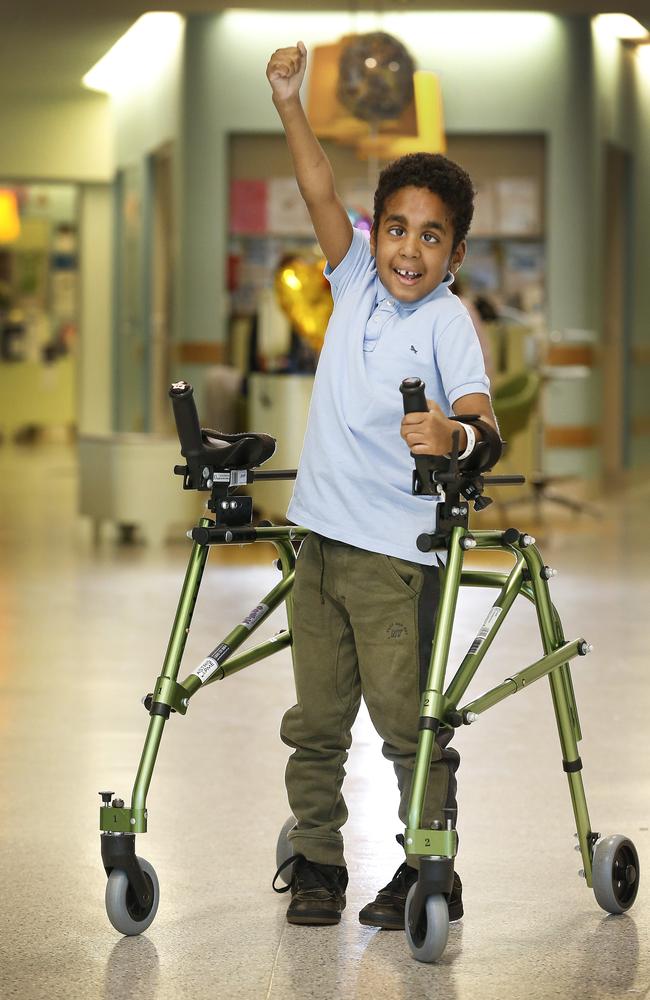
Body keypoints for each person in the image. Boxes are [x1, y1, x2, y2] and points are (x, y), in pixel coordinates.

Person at [267, 41, 498, 929]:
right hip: (317, 543)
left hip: (397, 558)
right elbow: (319, 187)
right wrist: (291, 101)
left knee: (408, 724)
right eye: (396, 227)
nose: (408, 248)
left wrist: (453, 432)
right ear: (376, 234)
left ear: (455, 251)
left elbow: (484, 422)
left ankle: (428, 865)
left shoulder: (447, 322)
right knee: (316, 721)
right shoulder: (354, 277)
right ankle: (319, 859)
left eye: (430, 235)